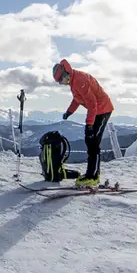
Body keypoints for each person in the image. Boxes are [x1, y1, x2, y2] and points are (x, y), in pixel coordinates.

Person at [52, 58, 113, 187]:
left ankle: (93, 176)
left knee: (93, 142)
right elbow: (77, 99)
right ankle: (91, 173)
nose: (60, 84)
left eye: (59, 81)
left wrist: (89, 125)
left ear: (65, 75)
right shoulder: (73, 82)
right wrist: (69, 112)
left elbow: (92, 104)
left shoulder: (80, 81)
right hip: (96, 111)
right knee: (90, 141)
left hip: (102, 110)